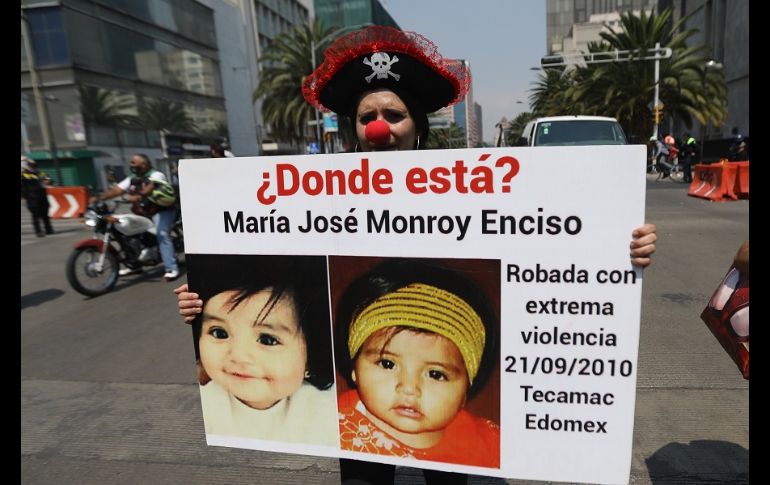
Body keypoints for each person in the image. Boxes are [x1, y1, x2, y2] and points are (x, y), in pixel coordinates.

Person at [176, 25, 657, 485]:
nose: (380, 127)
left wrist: (619, 247)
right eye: (367, 117)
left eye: (394, 114)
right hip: (362, 406)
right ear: (354, 129)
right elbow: (261, 257)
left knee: (447, 478)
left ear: (417, 125)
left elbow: (550, 231)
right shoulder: (315, 196)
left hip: (442, 381)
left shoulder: (475, 185)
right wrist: (203, 297)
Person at [334, 258, 499, 468]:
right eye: (387, 364)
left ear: (466, 389)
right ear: (354, 367)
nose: (409, 389)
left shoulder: (488, 446)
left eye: (436, 374)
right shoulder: (328, 425)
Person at [189, 254, 338, 445]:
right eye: (219, 333)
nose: (238, 356)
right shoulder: (204, 406)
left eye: (267, 340)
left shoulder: (328, 410)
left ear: (313, 353)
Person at [90, 153, 180, 281]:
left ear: (143, 164)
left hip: (161, 211)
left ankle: (171, 268)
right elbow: (117, 190)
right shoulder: (133, 178)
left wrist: (133, 197)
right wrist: (99, 198)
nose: (131, 165)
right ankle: (134, 264)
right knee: (124, 228)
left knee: (162, 234)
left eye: (133, 163)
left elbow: (148, 189)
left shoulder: (157, 175)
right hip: (143, 211)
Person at [21, 156, 54, 237]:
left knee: (45, 214)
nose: (33, 166)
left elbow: (49, 179)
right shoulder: (24, 175)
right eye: (31, 165)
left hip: (42, 196)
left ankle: (48, 229)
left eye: (33, 164)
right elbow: (22, 188)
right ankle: (38, 231)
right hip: (32, 198)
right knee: (36, 215)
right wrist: (25, 196)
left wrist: (48, 180)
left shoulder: (39, 172)